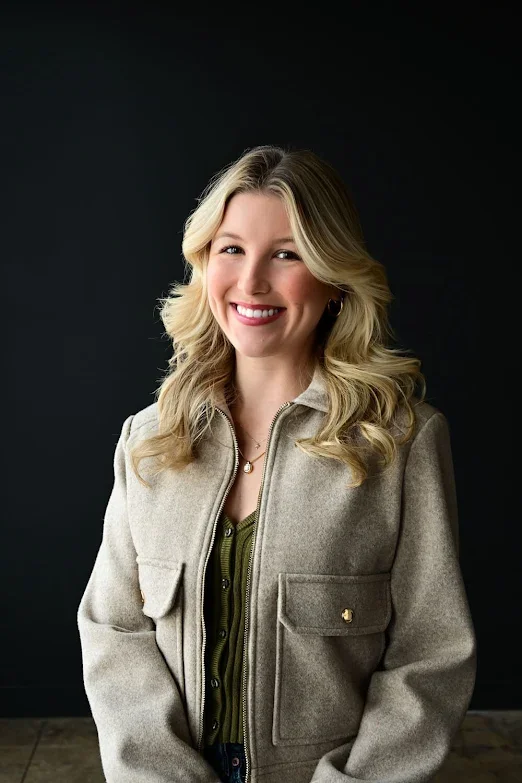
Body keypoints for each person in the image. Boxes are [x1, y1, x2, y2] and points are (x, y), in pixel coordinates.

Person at [77, 144, 476, 783]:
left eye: (286, 254)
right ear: (205, 262)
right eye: (232, 248)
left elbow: (432, 654)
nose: (252, 282)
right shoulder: (150, 439)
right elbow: (113, 631)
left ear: (334, 278)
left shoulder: (401, 443)